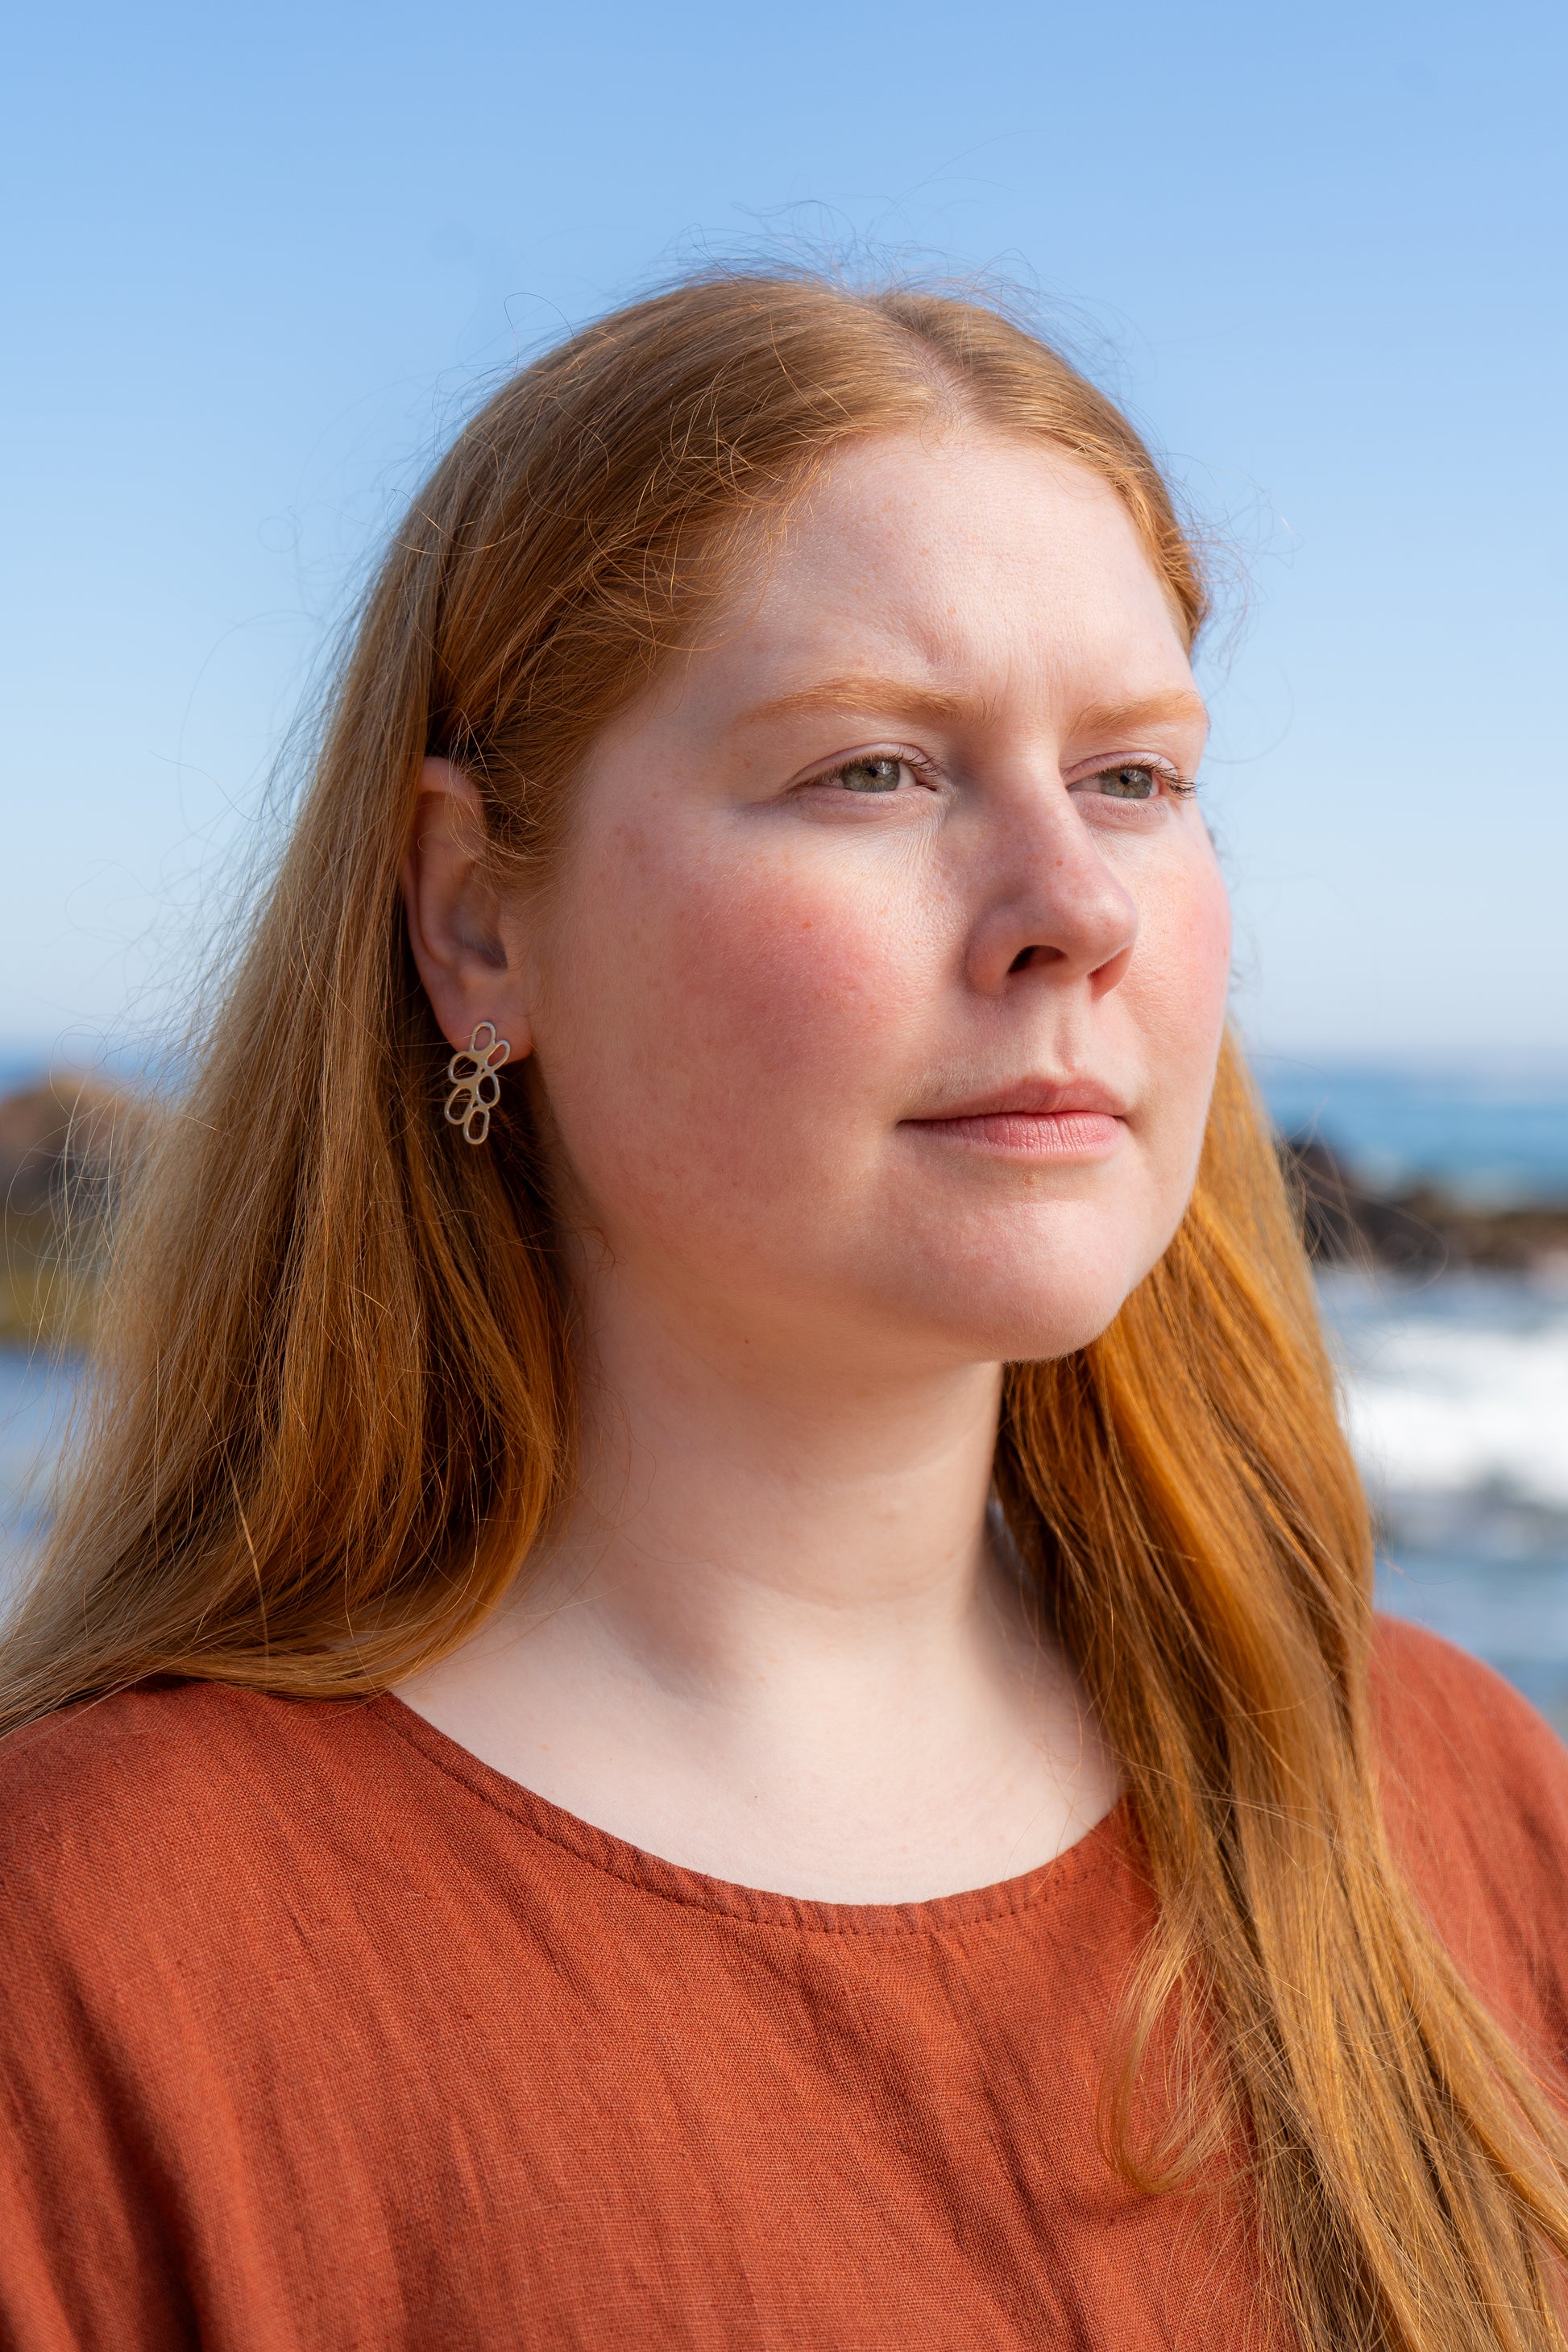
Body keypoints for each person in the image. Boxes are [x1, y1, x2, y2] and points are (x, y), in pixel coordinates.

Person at [2, 270, 1566, 2352]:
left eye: (1129, 777)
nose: (1072, 912)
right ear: (474, 918)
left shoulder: (1440, 1802)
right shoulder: (95, 1963)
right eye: (871, 773)